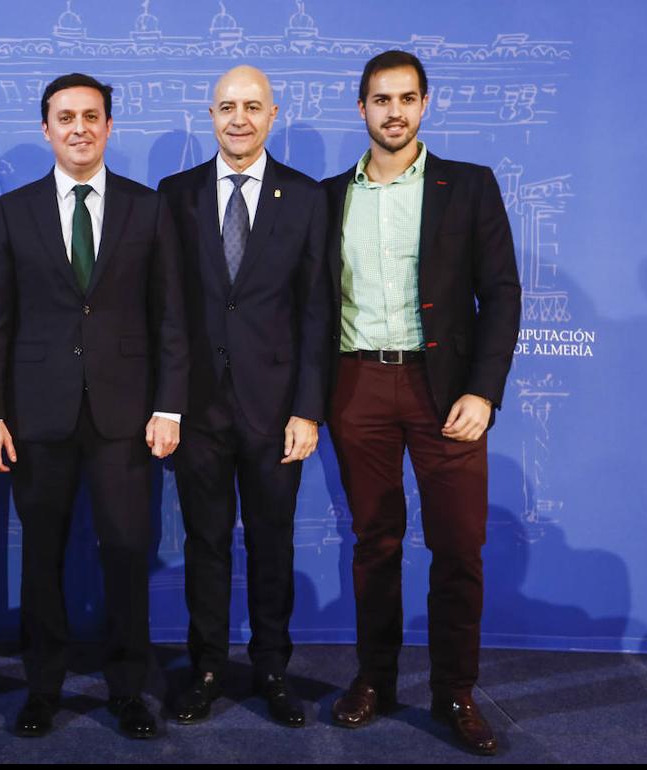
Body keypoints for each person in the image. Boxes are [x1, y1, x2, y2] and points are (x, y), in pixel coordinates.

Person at [0, 73, 188, 740]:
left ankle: (128, 689)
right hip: (37, 415)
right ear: (45, 129)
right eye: (65, 117)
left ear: (110, 126)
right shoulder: (11, 212)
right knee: (41, 556)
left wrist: (170, 406)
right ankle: (42, 688)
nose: (79, 128)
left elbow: (171, 317)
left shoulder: (148, 208)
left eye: (91, 116)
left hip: (126, 416)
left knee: (126, 552)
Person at [322, 50, 521, 755]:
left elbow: (501, 294)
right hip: (357, 386)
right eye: (381, 99)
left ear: (425, 104)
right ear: (362, 109)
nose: (395, 112)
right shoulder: (327, 197)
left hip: (448, 392)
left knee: (458, 546)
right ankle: (374, 679)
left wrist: (483, 390)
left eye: (407, 98)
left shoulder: (468, 185)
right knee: (374, 542)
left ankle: (455, 692)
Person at [157, 65, 330, 728]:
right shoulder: (175, 195)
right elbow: (165, 308)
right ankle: (206, 668)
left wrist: (308, 408)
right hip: (197, 408)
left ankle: (272, 670)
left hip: (276, 409)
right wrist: (167, 403)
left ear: (273, 115)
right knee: (204, 544)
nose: (239, 118)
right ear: (210, 115)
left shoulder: (305, 197)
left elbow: (316, 310)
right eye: (227, 106)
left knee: (272, 544)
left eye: (252, 107)